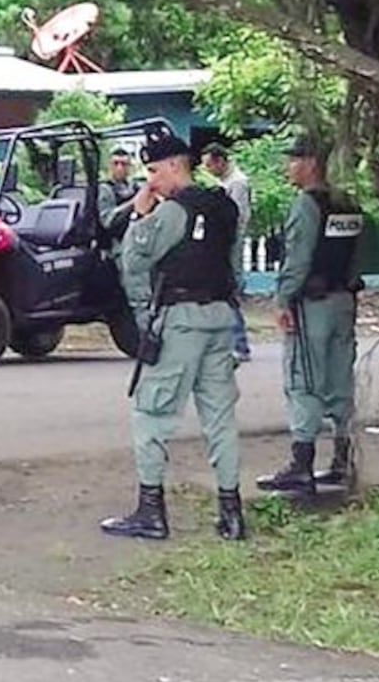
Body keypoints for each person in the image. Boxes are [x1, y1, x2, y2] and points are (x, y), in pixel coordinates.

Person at [99, 133, 245, 541]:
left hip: (180, 321)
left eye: (154, 171)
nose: (150, 182)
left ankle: (150, 511)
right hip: (220, 318)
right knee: (220, 418)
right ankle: (232, 513)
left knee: (151, 413)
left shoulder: (172, 212)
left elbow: (134, 258)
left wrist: (138, 216)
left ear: (176, 166)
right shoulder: (224, 208)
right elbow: (232, 263)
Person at [256, 135, 363, 494]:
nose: (289, 167)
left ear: (311, 163)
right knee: (340, 379)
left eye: (293, 160)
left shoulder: (307, 204)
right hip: (344, 301)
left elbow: (298, 258)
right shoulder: (348, 203)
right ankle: (343, 459)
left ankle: (301, 464)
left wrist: (283, 299)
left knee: (303, 379)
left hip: (313, 305)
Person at [201, 142, 253, 364]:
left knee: (228, 292)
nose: (208, 170)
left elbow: (237, 217)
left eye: (209, 165)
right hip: (225, 244)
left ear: (220, 161)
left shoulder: (237, 184)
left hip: (230, 245)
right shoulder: (225, 183)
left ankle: (239, 344)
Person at [98, 147, 138, 245]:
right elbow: (107, 221)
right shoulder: (105, 189)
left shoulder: (135, 187)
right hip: (115, 244)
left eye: (124, 164)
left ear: (129, 167)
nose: (119, 168)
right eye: (116, 163)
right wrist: (133, 202)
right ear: (110, 166)